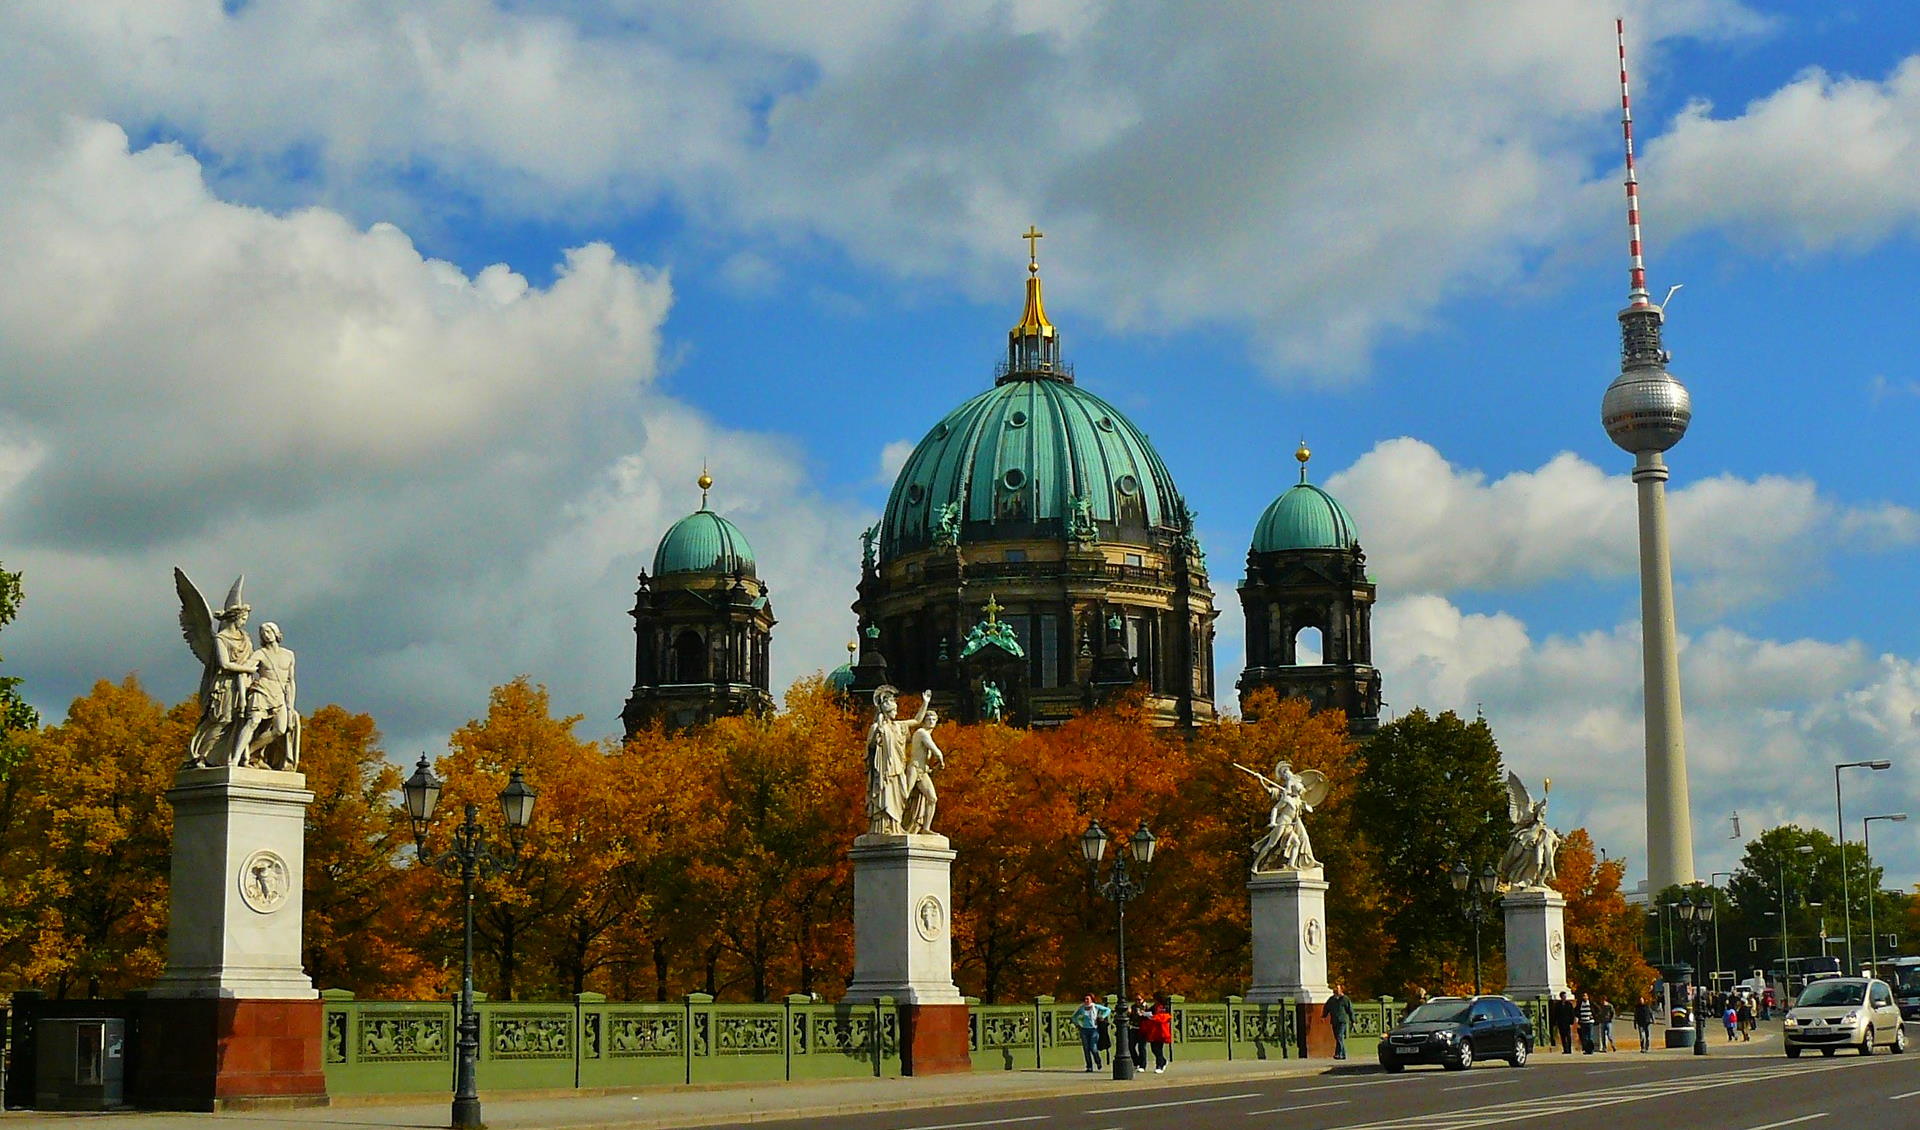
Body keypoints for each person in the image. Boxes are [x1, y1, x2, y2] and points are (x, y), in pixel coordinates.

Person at [1072, 994, 1110, 1072]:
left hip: (1094, 1029)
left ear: (1091, 1000)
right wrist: (1077, 1024)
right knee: (1086, 1049)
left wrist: (1102, 1016)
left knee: (1093, 1048)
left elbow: (1108, 1010)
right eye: (1085, 999)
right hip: (1084, 1030)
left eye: (1087, 999)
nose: (1086, 1001)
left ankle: (1098, 1061)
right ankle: (1089, 1066)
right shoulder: (1082, 1008)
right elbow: (1074, 1017)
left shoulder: (1095, 1007)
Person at [1324, 982, 1355, 1060]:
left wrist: (1353, 1020)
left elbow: (1350, 1010)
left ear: (1341, 989)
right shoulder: (1332, 999)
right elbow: (1327, 1007)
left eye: (1338, 988)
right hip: (1334, 1020)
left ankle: (1339, 1054)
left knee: (1339, 1036)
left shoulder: (1345, 999)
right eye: (1335, 989)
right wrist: (1324, 1015)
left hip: (1342, 1020)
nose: (1336, 990)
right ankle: (1342, 1054)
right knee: (1337, 1037)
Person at [1147, 993, 1174, 1073]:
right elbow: (1149, 1012)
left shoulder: (1165, 1007)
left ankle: (1159, 1065)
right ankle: (1163, 1061)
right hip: (1154, 1030)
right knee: (1154, 1049)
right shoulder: (1154, 1006)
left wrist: (1154, 1017)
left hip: (1161, 1030)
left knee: (1158, 1049)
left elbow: (1165, 1017)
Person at [1126, 995, 1151, 1076]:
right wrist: (1129, 1013)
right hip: (1134, 1028)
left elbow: (1150, 1016)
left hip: (1142, 1029)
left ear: (1143, 999)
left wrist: (1143, 1014)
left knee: (1142, 1047)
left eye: (1139, 1000)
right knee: (1131, 1046)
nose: (1137, 1001)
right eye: (1136, 1000)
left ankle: (1142, 1065)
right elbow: (1130, 1017)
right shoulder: (1133, 1007)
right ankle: (1136, 1062)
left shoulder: (1146, 1007)